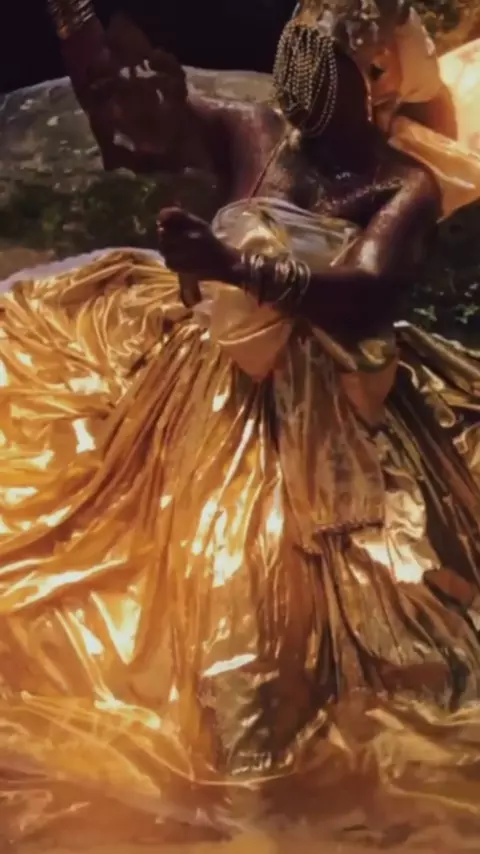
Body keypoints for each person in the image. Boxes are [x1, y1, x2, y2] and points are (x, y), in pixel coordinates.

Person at [0, 2, 480, 849]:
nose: (300, 86)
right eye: (297, 61)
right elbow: (150, 115)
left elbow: (367, 289)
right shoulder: (262, 133)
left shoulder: (403, 185)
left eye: (325, 70)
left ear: (375, 80)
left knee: (336, 596)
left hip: (339, 408)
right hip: (222, 387)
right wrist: (92, 48)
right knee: (192, 557)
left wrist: (232, 264)